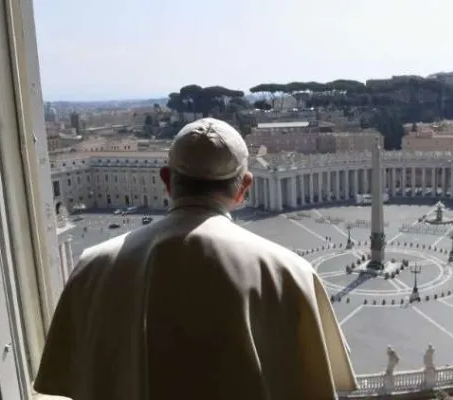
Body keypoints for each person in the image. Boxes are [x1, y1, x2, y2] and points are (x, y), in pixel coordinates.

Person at [34, 118, 357, 400]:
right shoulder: (289, 271)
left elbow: (67, 380)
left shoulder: (92, 265)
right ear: (244, 187)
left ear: (165, 180)